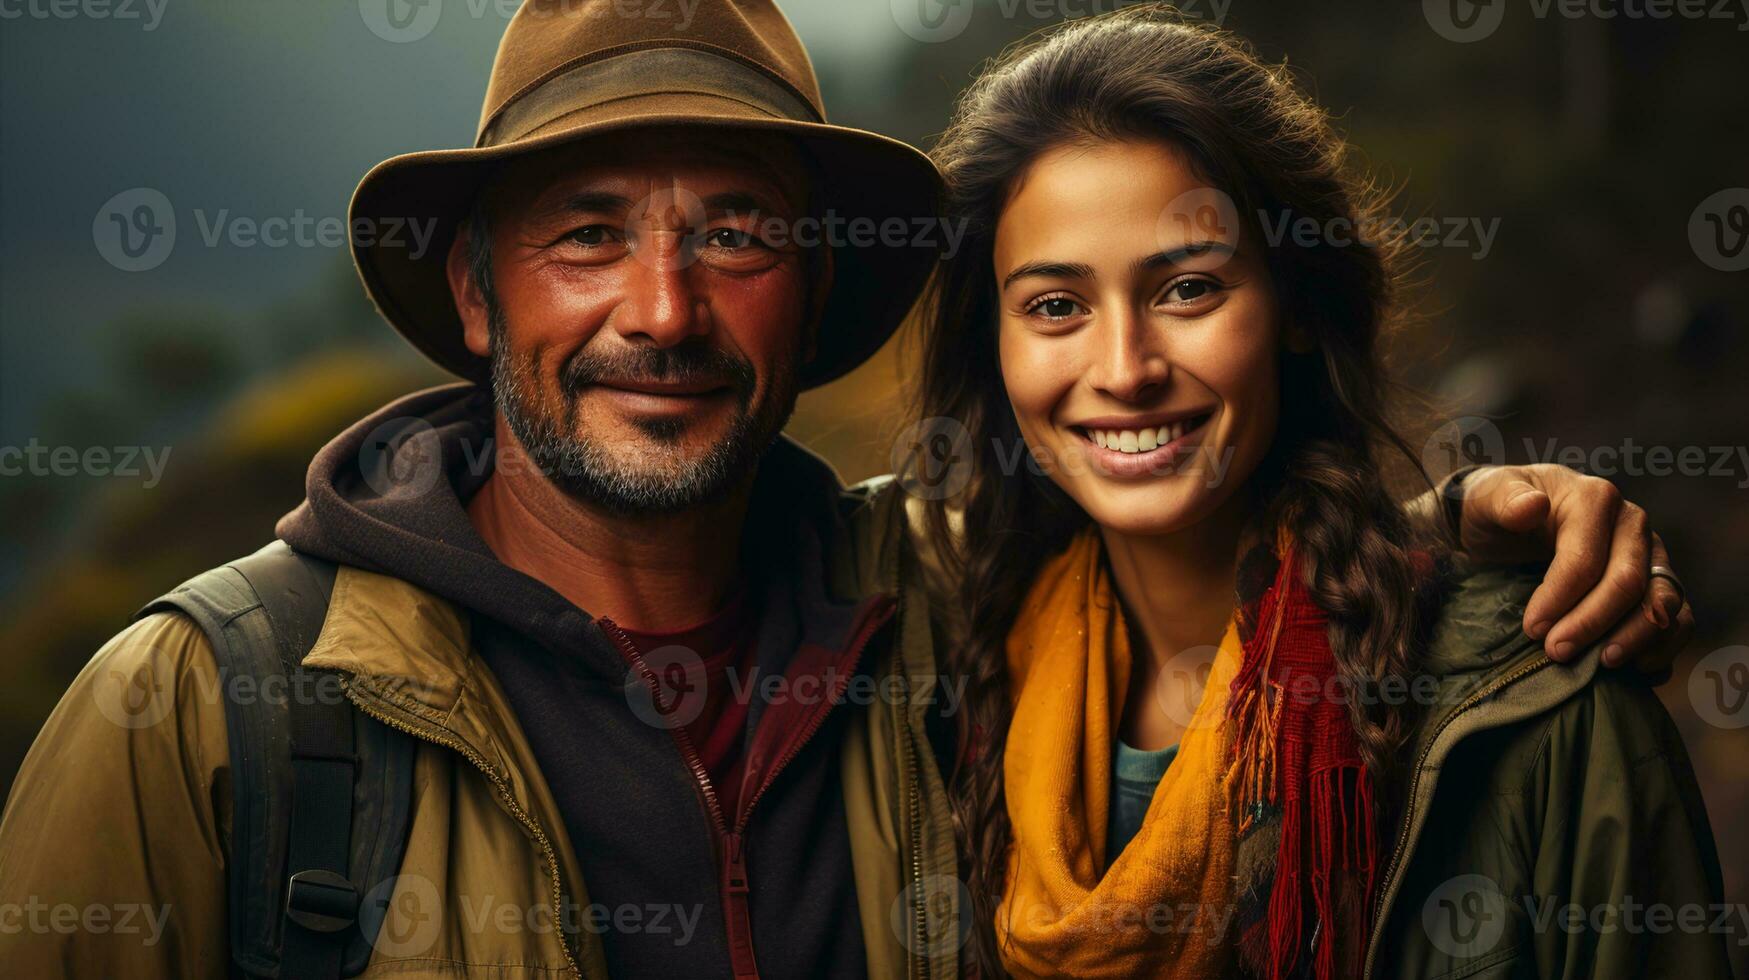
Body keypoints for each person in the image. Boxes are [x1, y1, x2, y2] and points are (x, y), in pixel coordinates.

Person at [0, 2, 1699, 978]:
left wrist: (1464, 532)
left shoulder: (933, 622)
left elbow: (1212, 564)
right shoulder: (206, 723)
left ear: (810, 290)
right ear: (472, 289)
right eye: (587, 233)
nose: (660, 311)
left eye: (731, 232)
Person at [908, 6, 1727, 979]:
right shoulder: (940, 682)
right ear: (992, 347)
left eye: (1188, 290)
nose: (1124, 368)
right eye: (1056, 306)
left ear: (1296, 306)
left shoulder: (1543, 701)